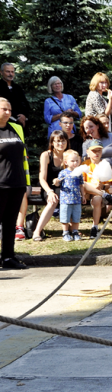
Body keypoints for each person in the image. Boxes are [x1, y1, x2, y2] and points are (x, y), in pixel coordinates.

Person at [0, 97, 30, 269]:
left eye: (9, 110)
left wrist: (26, 182)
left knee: (11, 223)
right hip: (0, 184)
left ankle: (8, 257)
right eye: (4, 109)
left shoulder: (17, 128)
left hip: (17, 183)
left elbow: (22, 157)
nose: (8, 112)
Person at [31, 131, 68, 241]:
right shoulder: (46, 155)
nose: (61, 144)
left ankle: (70, 229)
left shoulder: (69, 155)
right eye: (57, 141)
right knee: (53, 200)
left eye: (63, 141)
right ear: (52, 143)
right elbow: (42, 178)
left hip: (64, 187)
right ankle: (37, 231)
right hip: (48, 187)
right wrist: (50, 192)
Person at [81, 139, 112, 239]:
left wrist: (101, 186)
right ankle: (107, 196)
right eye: (94, 151)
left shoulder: (105, 164)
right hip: (85, 192)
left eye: (99, 150)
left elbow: (109, 184)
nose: (97, 153)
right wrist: (92, 185)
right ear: (88, 151)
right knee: (83, 184)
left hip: (99, 192)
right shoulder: (85, 164)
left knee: (97, 199)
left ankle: (95, 227)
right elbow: (81, 182)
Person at [80, 115, 112, 180]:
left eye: (91, 126)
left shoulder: (111, 136)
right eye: (86, 128)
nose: (89, 129)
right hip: (97, 176)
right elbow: (84, 160)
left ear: (97, 126)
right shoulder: (86, 143)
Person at [53, 150, 85, 241]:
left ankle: (75, 232)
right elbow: (58, 184)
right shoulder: (63, 173)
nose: (75, 163)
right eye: (72, 161)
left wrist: (83, 195)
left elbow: (81, 185)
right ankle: (65, 232)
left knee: (76, 216)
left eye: (77, 161)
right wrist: (56, 181)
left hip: (76, 199)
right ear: (66, 162)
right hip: (66, 200)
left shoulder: (79, 173)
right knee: (65, 217)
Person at [0, 63, 30, 127]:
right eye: (8, 71)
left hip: (20, 124)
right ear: (1, 72)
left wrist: (24, 116)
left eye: (12, 72)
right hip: (4, 123)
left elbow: (25, 104)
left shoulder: (18, 88)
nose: (10, 74)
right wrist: (17, 117)